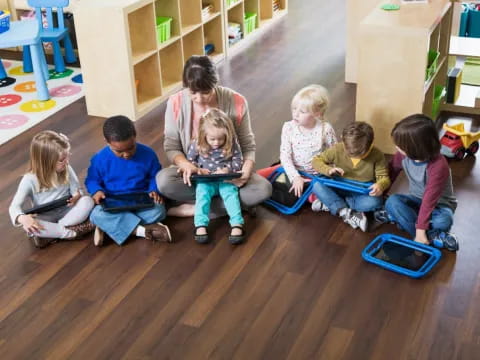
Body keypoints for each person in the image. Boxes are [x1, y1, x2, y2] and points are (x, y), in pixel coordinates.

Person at [156, 55, 272, 219]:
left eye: (206, 92)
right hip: (197, 174)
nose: (200, 99)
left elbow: (247, 146)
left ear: (215, 84)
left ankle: (199, 208)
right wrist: (186, 165)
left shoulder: (236, 101)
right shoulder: (175, 103)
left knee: (263, 189)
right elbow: (171, 146)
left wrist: (245, 171)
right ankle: (232, 205)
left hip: (228, 175)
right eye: (193, 93)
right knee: (163, 181)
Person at [86, 115, 172, 246]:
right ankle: (142, 231)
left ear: (135, 136)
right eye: (119, 151)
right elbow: (92, 180)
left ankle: (111, 226)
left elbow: (155, 175)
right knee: (95, 214)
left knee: (159, 210)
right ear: (107, 142)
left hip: (140, 200)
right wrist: (96, 191)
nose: (126, 154)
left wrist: (153, 190)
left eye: (131, 148)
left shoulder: (148, 153)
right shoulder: (99, 159)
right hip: (113, 202)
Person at [383, 114, 458, 251]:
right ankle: (433, 236)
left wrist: (420, 231)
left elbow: (429, 200)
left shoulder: (438, 165)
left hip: (439, 206)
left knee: (444, 221)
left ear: (414, 148)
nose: (397, 147)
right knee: (391, 201)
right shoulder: (402, 155)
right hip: (416, 200)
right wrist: (381, 191)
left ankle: (410, 225)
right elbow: (391, 172)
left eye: (400, 145)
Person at [9, 131, 95, 248]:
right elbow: (14, 207)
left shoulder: (66, 168)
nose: (67, 162)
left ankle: (53, 233)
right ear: (45, 162)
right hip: (46, 216)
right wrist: (22, 218)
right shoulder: (29, 180)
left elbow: (77, 190)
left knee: (87, 201)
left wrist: (76, 197)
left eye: (67, 157)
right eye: (61, 160)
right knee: (30, 226)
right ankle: (70, 232)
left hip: (67, 211)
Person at [258, 84, 337, 198]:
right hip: (291, 169)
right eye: (294, 108)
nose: (296, 114)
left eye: (302, 111)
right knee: (259, 175)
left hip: (315, 175)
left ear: (317, 113)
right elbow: (285, 156)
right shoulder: (289, 127)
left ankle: (314, 196)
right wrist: (295, 177)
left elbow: (335, 153)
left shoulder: (325, 129)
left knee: (310, 193)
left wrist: (332, 173)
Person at [310, 122, 390, 231]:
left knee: (376, 201)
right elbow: (316, 161)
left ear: (371, 144)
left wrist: (380, 186)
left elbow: (384, 178)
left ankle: (333, 203)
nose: (354, 156)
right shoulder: (337, 148)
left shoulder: (377, 155)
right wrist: (329, 170)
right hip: (338, 186)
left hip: (359, 192)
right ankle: (346, 211)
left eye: (361, 154)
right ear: (342, 139)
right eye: (349, 153)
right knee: (316, 185)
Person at [187, 108, 245, 244]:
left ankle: (237, 224)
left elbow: (238, 161)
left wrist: (227, 169)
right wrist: (198, 170)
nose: (216, 143)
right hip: (205, 180)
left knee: (231, 195)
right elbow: (190, 160)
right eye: (212, 139)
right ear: (204, 135)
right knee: (202, 195)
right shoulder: (197, 144)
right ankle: (200, 224)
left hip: (225, 179)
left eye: (221, 139)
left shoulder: (232, 143)